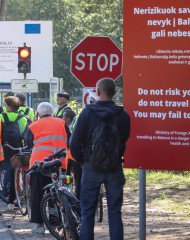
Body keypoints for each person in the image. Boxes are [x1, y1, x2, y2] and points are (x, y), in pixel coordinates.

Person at [70, 78, 130, 240]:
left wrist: (85, 161)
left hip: (91, 168)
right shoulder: (123, 115)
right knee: (115, 212)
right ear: (114, 93)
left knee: (87, 213)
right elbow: (124, 139)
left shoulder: (87, 113)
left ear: (97, 92)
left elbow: (74, 143)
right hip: (115, 167)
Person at [25, 102, 70, 234]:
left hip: (39, 164)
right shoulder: (61, 123)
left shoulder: (33, 126)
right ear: (51, 112)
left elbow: (28, 143)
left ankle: (39, 225)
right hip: (59, 162)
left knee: (37, 194)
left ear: (38, 113)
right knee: (57, 193)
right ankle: (56, 223)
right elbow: (70, 139)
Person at [0, 96, 28, 210]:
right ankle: (14, 198)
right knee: (16, 172)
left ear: (9, 106)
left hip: (3, 149)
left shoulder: (0, 117)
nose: (5, 107)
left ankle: (6, 195)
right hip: (17, 149)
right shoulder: (23, 119)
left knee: (5, 171)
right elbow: (25, 136)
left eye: (6, 105)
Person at [63, 109, 82, 199]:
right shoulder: (74, 123)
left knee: (74, 178)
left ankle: (74, 198)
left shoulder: (70, 126)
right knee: (76, 179)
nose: (62, 118)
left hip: (72, 156)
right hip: (72, 155)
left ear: (68, 118)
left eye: (63, 116)